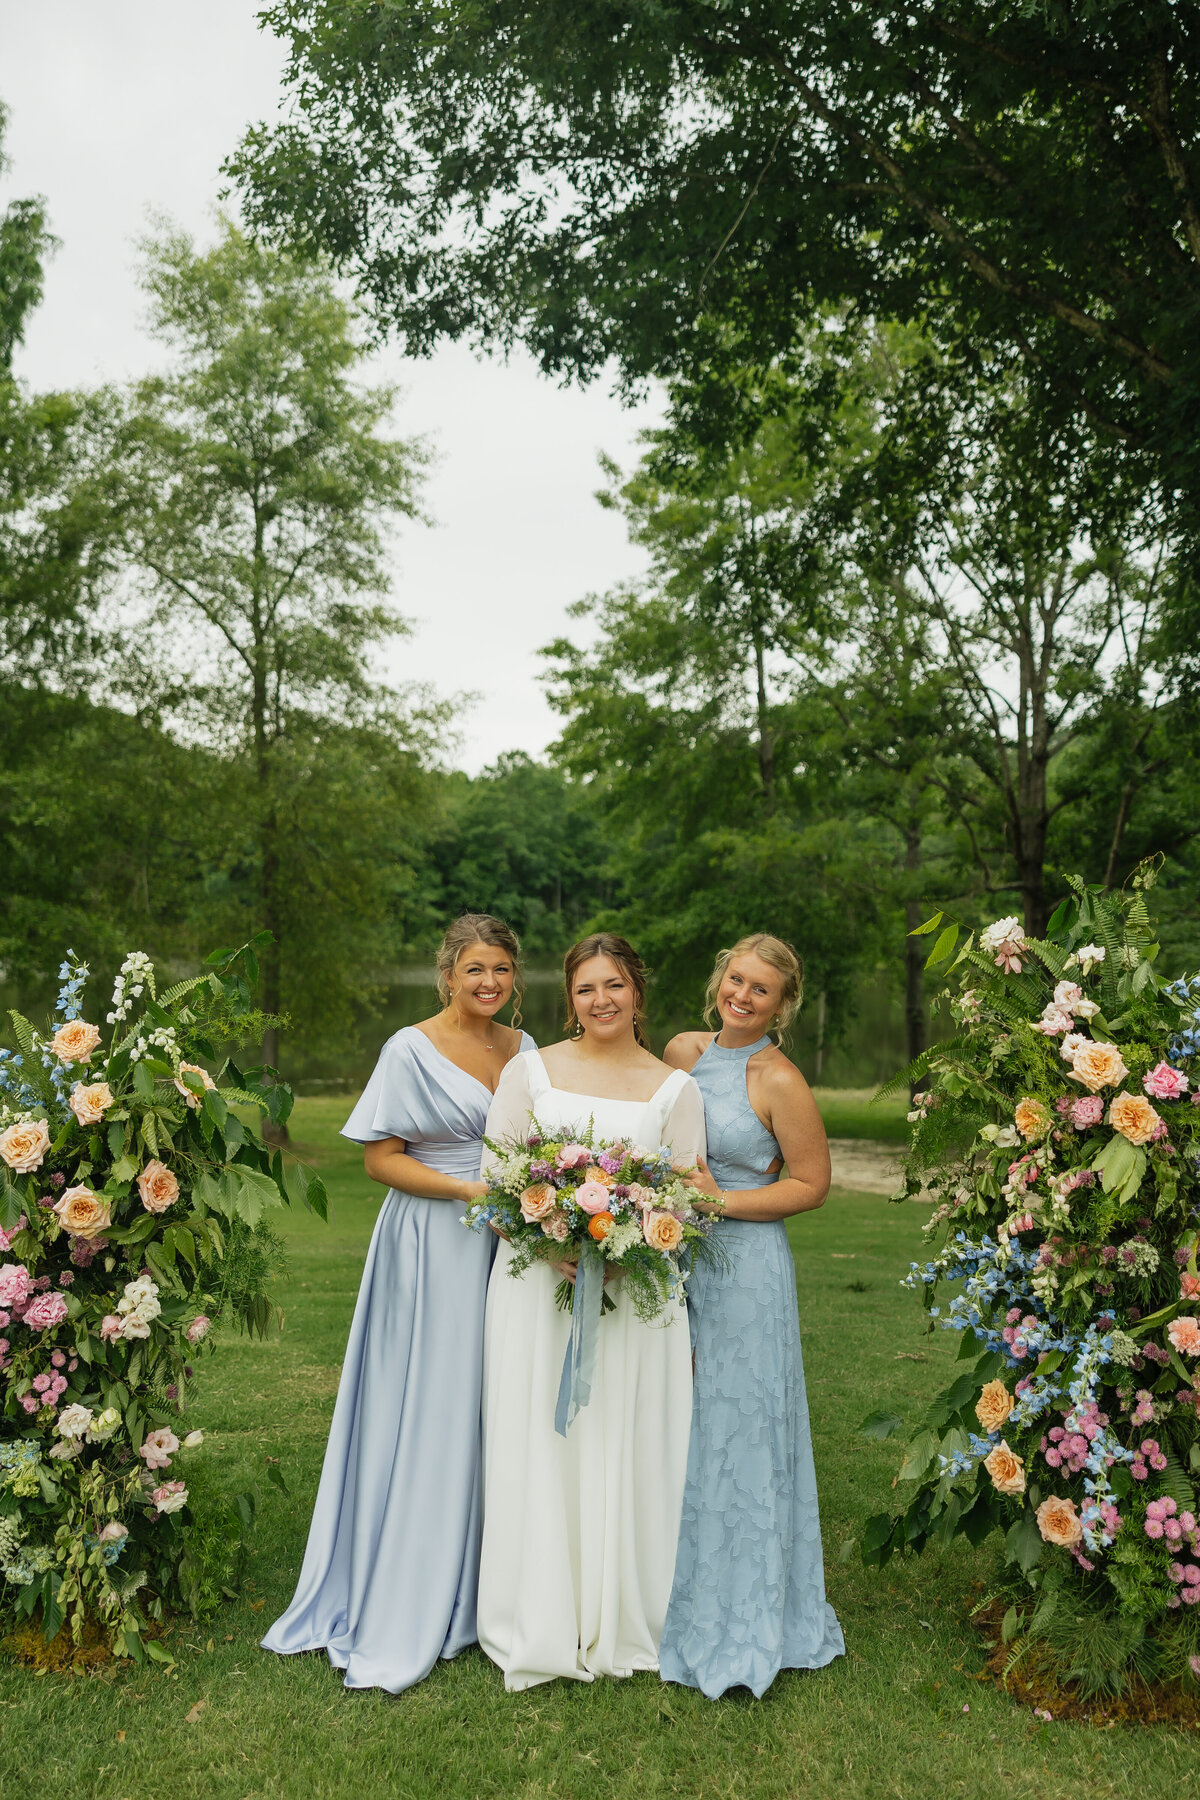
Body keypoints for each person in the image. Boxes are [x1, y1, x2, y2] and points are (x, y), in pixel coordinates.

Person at [261, 913, 533, 1692]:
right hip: (432, 1238)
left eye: (503, 970)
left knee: (495, 1399)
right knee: (434, 1401)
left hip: (511, 1242)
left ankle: (492, 1588)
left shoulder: (526, 1051)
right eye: (475, 969)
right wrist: (465, 1189)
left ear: (516, 978)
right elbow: (381, 1161)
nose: (489, 983)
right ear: (446, 974)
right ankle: (414, 1576)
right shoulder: (407, 1048)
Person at [476, 933, 706, 1690]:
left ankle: (619, 1610)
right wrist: (548, 1241)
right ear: (568, 998)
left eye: (614, 985)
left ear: (638, 991)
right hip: (539, 1292)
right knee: (540, 1440)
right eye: (585, 988)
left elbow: (686, 1193)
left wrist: (638, 1236)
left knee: (624, 1436)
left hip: (635, 1300)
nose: (600, 999)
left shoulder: (675, 1088)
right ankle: (539, 1612)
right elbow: (496, 1176)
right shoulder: (531, 1070)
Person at [658, 932, 845, 1698]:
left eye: (761, 990)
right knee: (674, 1419)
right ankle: (656, 1593)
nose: (743, 996)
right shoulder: (678, 1053)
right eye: (736, 980)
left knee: (737, 1431)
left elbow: (812, 1184)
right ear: (719, 979)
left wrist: (719, 1202)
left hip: (746, 1270)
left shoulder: (780, 1079)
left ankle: (744, 1605)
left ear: (783, 1004)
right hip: (671, 1262)